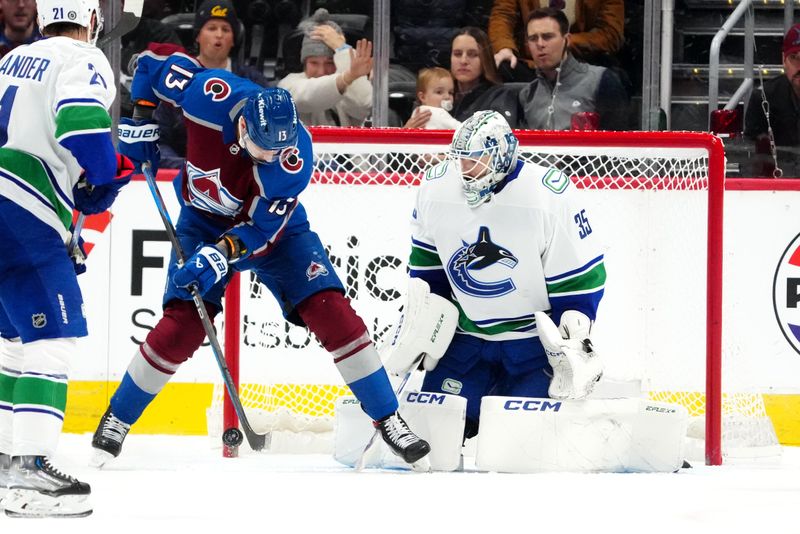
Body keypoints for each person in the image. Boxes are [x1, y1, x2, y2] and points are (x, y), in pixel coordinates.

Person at [90, 54, 431, 468]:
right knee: (182, 323)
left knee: (332, 312)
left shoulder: (293, 158)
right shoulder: (207, 95)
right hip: (202, 221)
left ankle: (388, 418)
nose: (269, 158)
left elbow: (259, 230)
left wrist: (221, 255)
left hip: (277, 236)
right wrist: (141, 116)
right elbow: (146, 67)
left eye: (277, 150)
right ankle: (118, 418)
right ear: (242, 127)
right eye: (260, 148)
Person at [0, 0, 133, 518]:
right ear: (91, 20)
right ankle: (31, 471)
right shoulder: (81, 58)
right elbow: (80, 126)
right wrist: (106, 171)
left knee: (14, 341)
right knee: (54, 339)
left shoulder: (12, 58)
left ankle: (8, 461)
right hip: (23, 213)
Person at [406, 110, 606, 440]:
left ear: (501, 155)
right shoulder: (436, 187)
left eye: (476, 160)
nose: (465, 170)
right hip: (465, 340)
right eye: (461, 160)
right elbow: (429, 268)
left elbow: (579, 282)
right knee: (435, 436)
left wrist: (574, 336)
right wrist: (425, 327)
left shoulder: (547, 196)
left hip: (532, 348)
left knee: (522, 446)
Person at [155, 0, 270, 169]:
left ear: (234, 39)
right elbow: (158, 141)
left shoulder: (253, 82)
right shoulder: (174, 81)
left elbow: (269, 137)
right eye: (211, 28)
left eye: (226, 29)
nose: (219, 35)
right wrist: (189, 168)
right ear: (198, 36)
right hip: (184, 176)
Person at [518, 8, 629, 131]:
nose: (540, 44)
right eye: (533, 38)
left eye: (547, 36)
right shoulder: (527, 95)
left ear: (567, 40)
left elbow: (618, 144)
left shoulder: (600, 81)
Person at [406, 27, 520, 129]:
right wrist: (406, 131)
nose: (463, 61)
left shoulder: (500, 96)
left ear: (485, 59)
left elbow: (501, 139)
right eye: (457, 54)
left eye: (472, 54)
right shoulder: (432, 91)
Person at [278, 8, 372, 127]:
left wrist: (342, 48)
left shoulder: (352, 85)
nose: (321, 71)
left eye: (329, 63)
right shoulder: (288, 85)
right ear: (304, 63)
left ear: (339, 61)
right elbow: (307, 97)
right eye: (314, 63)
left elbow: (363, 106)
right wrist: (347, 78)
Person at [489, 0, 624, 82]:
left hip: (583, 63)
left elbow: (611, 34)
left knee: (611, 80)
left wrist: (561, 43)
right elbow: (503, 15)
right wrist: (504, 48)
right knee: (504, 66)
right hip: (532, 66)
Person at [743, 23, 800, 178]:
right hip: (776, 186)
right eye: (794, 58)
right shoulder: (763, 98)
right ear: (784, 60)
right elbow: (751, 156)